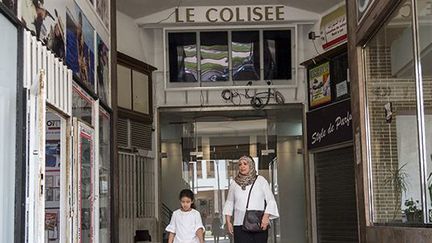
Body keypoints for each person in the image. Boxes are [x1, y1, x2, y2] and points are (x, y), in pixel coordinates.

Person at [223, 155, 279, 243]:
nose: (242, 166)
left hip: (258, 223)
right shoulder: (235, 183)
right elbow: (229, 202)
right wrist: (228, 221)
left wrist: (266, 217)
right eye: (240, 164)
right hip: (239, 224)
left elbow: (271, 200)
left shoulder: (261, 180)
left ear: (251, 165)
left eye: (245, 164)